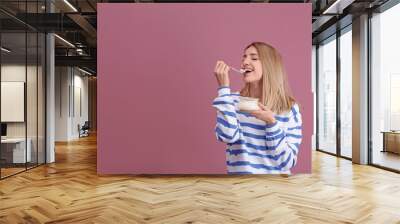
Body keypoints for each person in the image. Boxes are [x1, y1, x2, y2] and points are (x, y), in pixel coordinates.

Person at [212, 42, 302, 174]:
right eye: (244, 57)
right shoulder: (231, 101)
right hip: (240, 187)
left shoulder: (288, 108)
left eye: (254, 58)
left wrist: (272, 124)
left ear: (269, 66)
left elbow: (286, 162)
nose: (245, 62)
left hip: (276, 189)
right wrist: (223, 89)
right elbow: (227, 136)